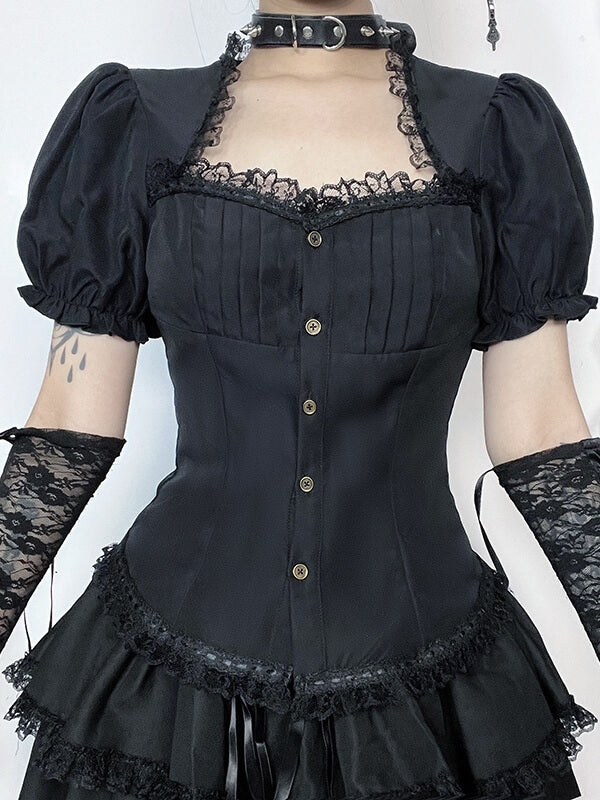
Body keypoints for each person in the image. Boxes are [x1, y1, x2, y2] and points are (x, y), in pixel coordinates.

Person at [1, 1, 599, 798]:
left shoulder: (499, 132)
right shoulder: (132, 124)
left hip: (429, 686)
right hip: (167, 695)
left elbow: (542, 430)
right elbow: (69, 419)